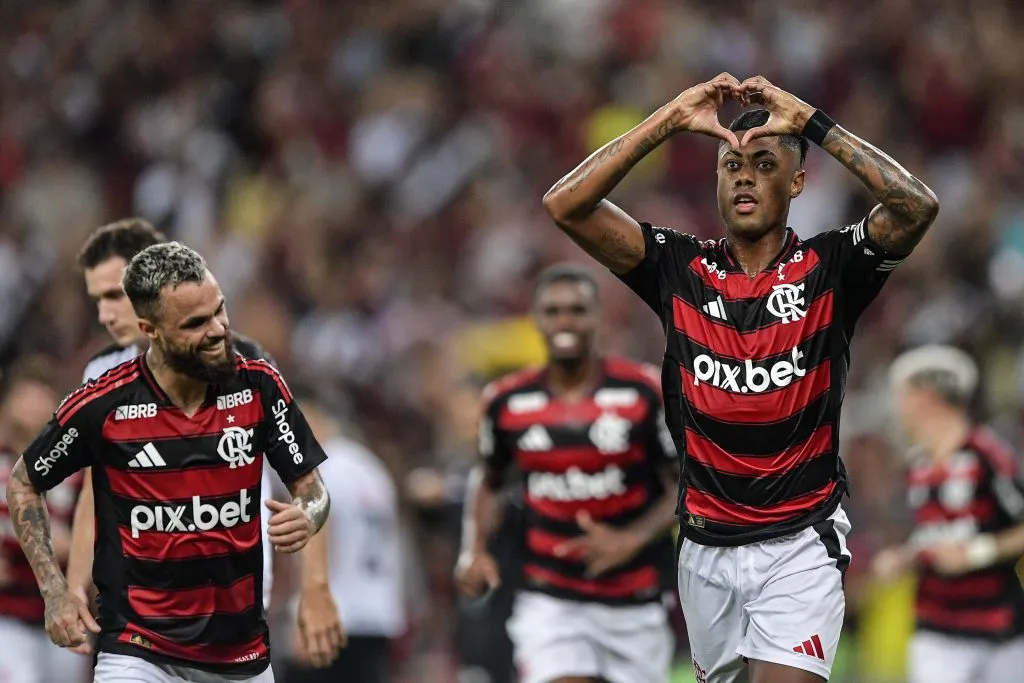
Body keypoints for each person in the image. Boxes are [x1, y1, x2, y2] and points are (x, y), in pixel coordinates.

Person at [542, 73, 939, 683]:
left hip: (799, 542)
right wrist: (670, 118)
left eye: (763, 164)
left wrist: (811, 123)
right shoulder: (679, 267)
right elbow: (566, 205)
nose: (745, 177)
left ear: (797, 182)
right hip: (705, 549)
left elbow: (917, 207)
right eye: (731, 165)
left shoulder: (831, 268)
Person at [7, 242, 331, 682]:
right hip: (138, 651)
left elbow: (312, 488)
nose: (218, 330)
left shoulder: (259, 384)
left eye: (219, 310)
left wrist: (307, 515)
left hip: (239, 655)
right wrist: (55, 590)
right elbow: (25, 481)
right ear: (151, 330)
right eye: (196, 323)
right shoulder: (105, 404)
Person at [455, 264, 679, 683]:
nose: (565, 322)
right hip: (549, 598)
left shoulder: (645, 392)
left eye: (577, 310)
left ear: (597, 317)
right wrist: (475, 550)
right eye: (553, 311)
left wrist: (631, 538)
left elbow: (686, 483)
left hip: (635, 598)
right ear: (536, 319)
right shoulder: (505, 402)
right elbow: (489, 480)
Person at [873, 345, 1024, 683]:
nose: (899, 407)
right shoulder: (918, 465)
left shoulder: (988, 456)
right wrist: (905, 556)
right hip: (936, 627)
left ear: (926, 398)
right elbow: (933, 535)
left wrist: (977, 553)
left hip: (998, 629)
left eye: (904, 395)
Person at [283, 391, 404, 683]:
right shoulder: (369, 467)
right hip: (377, 612)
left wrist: (305, 608)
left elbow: (322, 535)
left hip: (335, 614)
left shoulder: (322, 469)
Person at [0, 358, 87, 683]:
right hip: (7, 615)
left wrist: (75, 546)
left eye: (39, 398)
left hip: (66, 615)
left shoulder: (77, 471)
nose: (31, 408)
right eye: (24, 397)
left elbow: (100, 534)